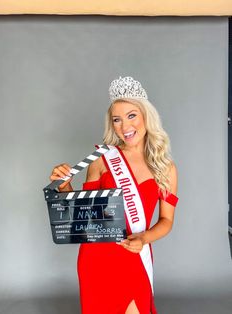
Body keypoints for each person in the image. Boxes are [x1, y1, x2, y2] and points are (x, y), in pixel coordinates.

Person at [50, 76, 178, 314]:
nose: (124, 127)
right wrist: (64, 187)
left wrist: (144, 238)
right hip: (96, 257)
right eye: (116, 120)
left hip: (134, 252)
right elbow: (81, 216)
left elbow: (167, 221)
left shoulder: (165, 167)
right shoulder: (101, 159)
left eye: (131, 115)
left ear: (145, 116)